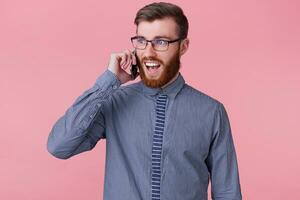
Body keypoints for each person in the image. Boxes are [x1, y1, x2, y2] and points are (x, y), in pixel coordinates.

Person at [47, 2, 242, 200]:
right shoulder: (114, 102)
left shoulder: (211, 112)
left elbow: (227, 192)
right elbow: (59, 146)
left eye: (161, 42)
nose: (148, 52)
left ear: (183, 47)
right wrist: (108, 82)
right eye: (141, 41)